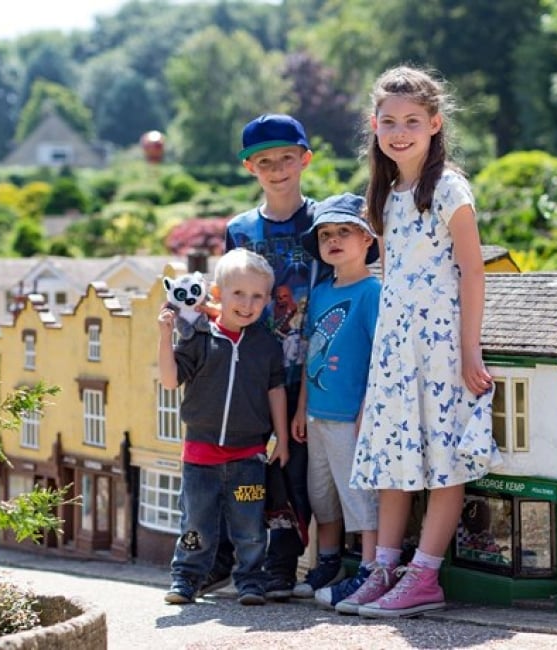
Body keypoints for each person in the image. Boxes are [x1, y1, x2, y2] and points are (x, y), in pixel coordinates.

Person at [341, 66, 501, 618]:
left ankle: (424, 576)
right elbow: (391, 278)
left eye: (412, 121)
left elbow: (473, 271)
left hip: (442, 349)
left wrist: (471, 350)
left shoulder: (449, 188)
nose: (400, 131)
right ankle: (384, 567)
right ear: (374, 125)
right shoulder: (385, 194)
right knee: (393, 459)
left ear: (435, 124)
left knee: (443, 461)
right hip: (395, 351)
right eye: (389, 121)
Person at [208, 113, 326, 601]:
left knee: (292, 470)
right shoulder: (239, 229)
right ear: (249, 168)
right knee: (239, 465)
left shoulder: (324, 222)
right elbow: (227, 295)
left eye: (286, 158)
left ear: (305, 160)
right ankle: (226, 559)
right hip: (250, 369)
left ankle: (282, 563)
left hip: (307, 368)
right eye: (264, 161)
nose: (277, 168)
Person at [159, 248, 290, 607]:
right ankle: (185, 579)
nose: (247, 304)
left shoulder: (265, 344)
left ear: (266, 300)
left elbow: (275, 389)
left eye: (257, 296)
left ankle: (250, 581)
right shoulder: (199, 339)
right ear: (217, 293)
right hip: (200, 457)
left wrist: (281, 439)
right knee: (196, 523)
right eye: (238, 294)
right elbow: (170, 381)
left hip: (249, 456)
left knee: (249, 526)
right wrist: (165, 335)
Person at [286, 193, 381, 606]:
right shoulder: (322, 291)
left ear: (366, 240)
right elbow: (312, 352)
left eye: (345, 231)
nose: (334, 240)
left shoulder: (371, 291)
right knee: (321, 494)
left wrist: (368, 409)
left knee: (357, 494)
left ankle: (371, 567)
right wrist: (302, 407)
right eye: (326, 234)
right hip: (317, 415)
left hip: (349, 416)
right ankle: (328, 561)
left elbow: (381, 356)